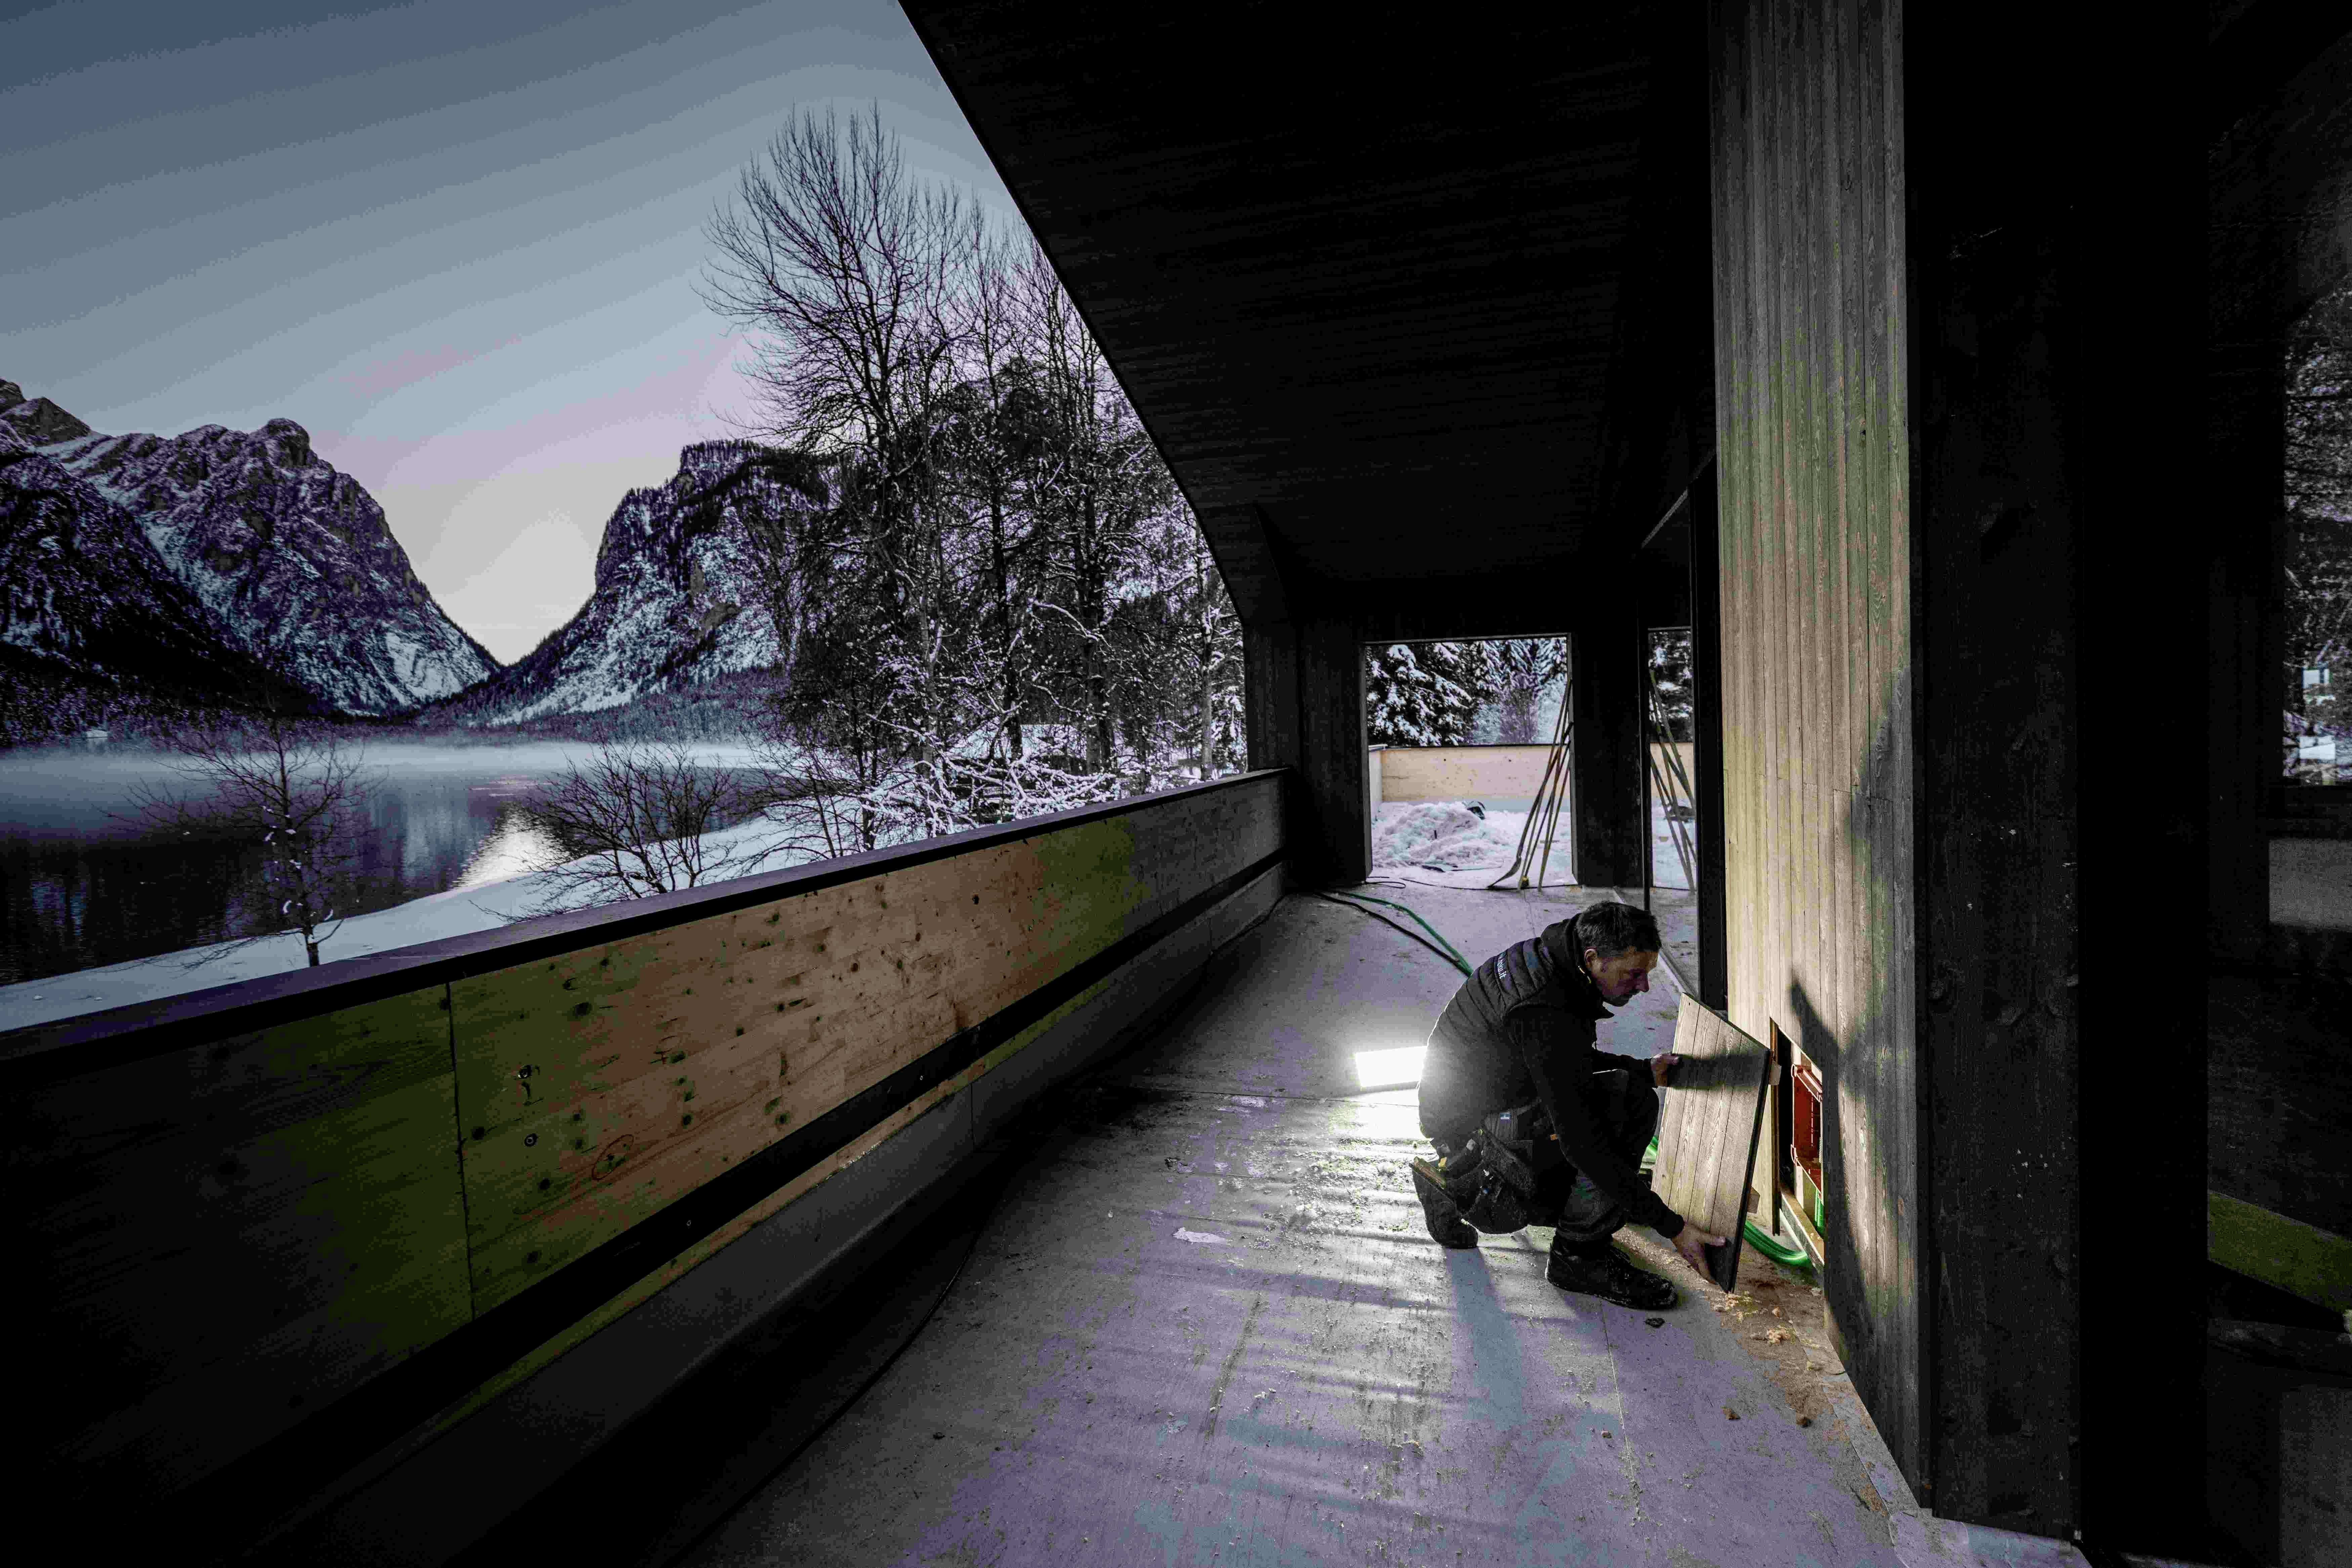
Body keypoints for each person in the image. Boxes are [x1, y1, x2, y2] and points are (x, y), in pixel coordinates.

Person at [1409, 899, 1728, 1309]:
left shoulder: (1557, 959)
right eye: (1634, 974)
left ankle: (1448, 1186)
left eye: (1647, 973)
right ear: (1594, 959)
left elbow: (1558, 1059)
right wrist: (1672, 1227)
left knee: (1619, 1120)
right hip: (1472, 1129)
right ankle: (1577, 1256)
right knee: (1628, 1105)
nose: (1644, 986)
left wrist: (1642, 1068)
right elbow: (1581, 1140)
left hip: (1476, 1103)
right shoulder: (1545, 1006)